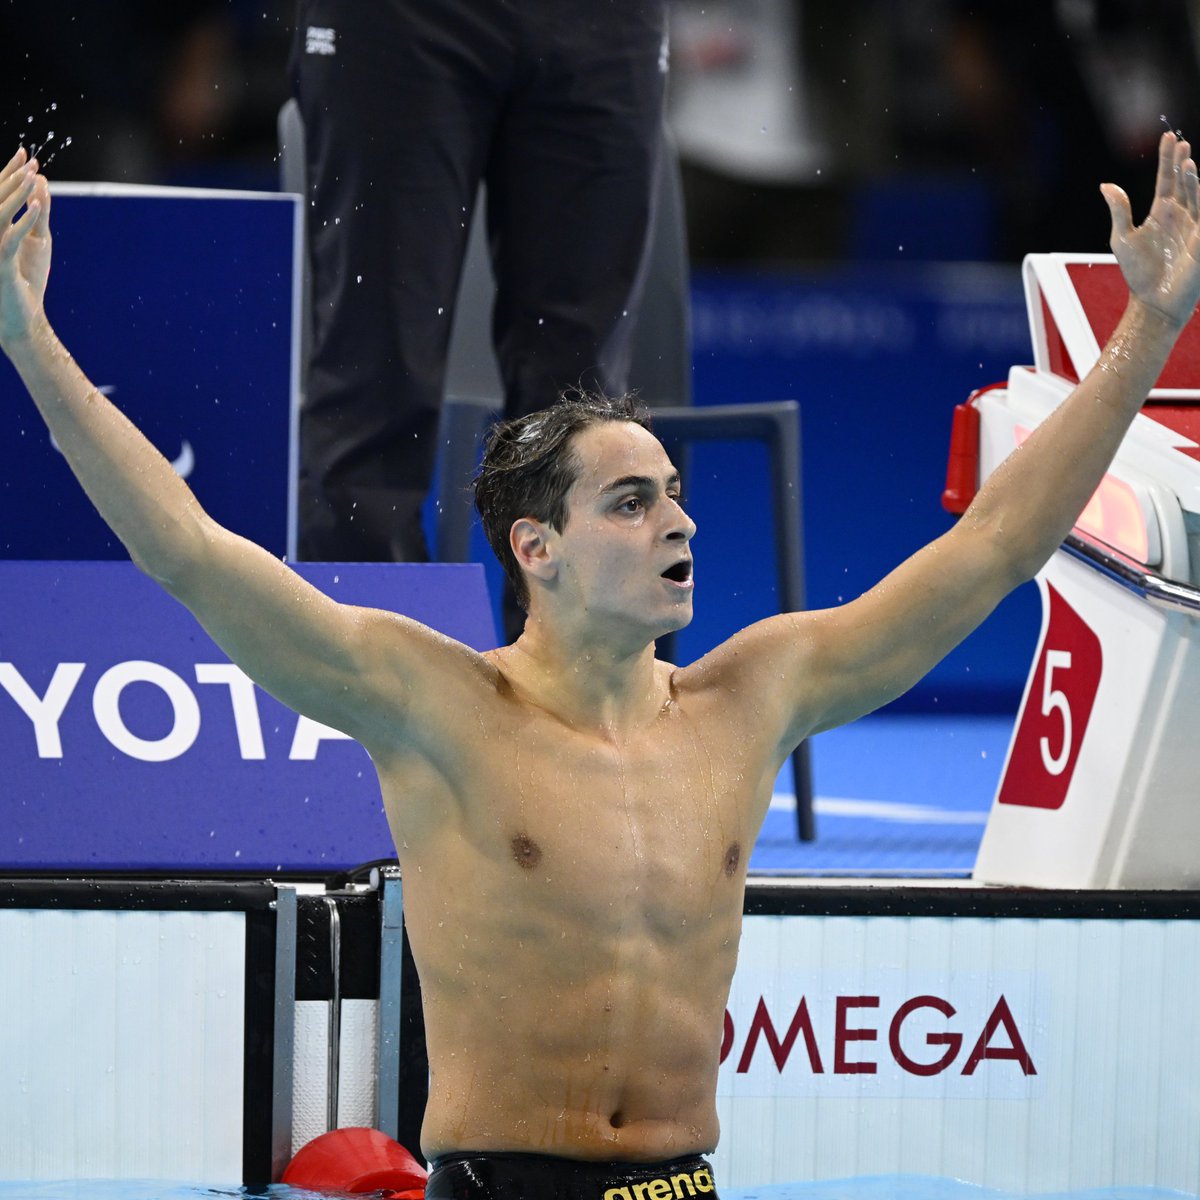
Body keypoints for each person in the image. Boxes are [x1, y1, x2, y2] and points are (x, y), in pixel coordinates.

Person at [2, 133, 1198, 1199]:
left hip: (682, 1189)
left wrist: (1147, 331)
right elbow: (190, 553)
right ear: (540, 550)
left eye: (675, 497)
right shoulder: (433, 705)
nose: (678, 523)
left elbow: (995, 549)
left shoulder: (751, 696)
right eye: (631, 504)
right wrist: (30, 340)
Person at [291, 0, 668, 576]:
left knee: (581, 403)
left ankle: (575, 660)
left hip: (604, 21)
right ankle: (366, 655)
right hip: (399, 21)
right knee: (371, 375)